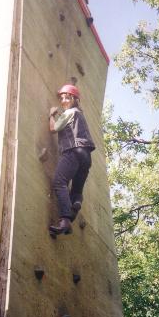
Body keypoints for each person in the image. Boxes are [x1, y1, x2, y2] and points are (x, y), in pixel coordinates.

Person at [49, 84, 95, 235]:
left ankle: (65, 220)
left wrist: (51, 115)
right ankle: (75, 206)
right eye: (61, 98)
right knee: (76, 190)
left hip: (72, 152)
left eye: (66, 98)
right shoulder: (80, 115)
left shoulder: (69, 112)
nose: (63, 101)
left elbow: (53, 129)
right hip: (86, 157)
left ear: (74, 99)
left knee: (59, 182)